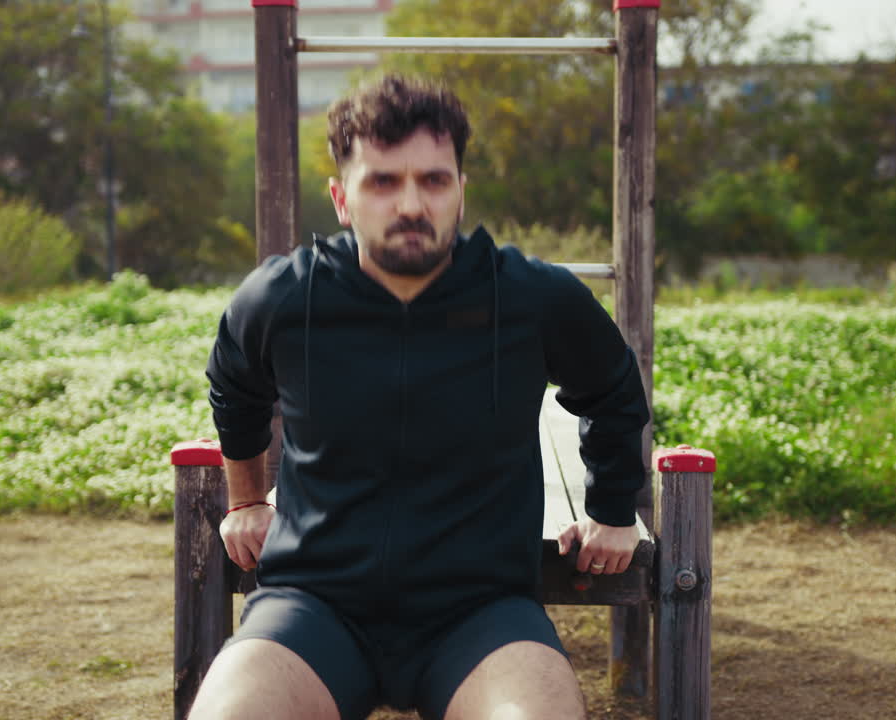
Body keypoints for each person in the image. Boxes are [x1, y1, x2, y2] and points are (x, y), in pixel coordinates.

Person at [191, 74, 650, 720]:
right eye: (383, 181)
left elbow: (613, 388)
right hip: (315, 606)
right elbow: (234, 386)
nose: (412, 203)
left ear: (460, 193)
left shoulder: (530, 297)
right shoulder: (284, 299)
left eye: (434, 180)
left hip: (482, 613)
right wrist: (243, 499)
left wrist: (611, 507)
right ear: (341, 198)